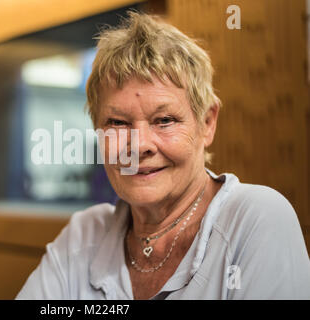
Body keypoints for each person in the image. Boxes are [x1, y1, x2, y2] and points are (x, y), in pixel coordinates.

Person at [16, 11, 310, 299]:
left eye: (165, 120)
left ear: (207, 123)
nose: (140, 145)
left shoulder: (256, 220)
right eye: (118, 122)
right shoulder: (83, 236)